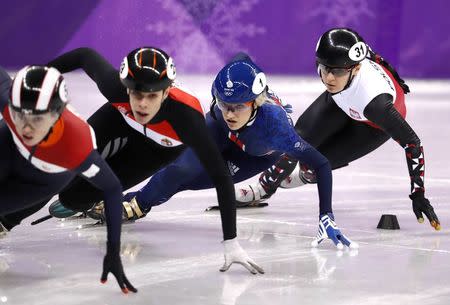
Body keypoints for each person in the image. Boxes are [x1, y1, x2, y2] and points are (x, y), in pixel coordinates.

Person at [0, 47, 262, 274]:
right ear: (125, 87)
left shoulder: (187, 120)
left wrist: (231, 242)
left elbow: (220, 177)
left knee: (73, 198)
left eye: (152, 95)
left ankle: (84, 200)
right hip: (119, 119)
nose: (143, 105)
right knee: (63, 164)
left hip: (158, 148)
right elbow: (84, 56)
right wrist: (40, 79)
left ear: (167, 92)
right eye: (135, 94)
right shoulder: (116, 90)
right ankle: (6, 222)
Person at [89, 53, 357, 250]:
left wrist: (326, 215)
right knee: (177, 166)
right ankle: (127, 201)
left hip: (250, 155)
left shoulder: (276, 128)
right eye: (224, 103)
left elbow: (321, 164)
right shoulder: (223, 109)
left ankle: (133, 203)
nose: (229, 112)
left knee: (186, 182)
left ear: (255, 103)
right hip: (218, 132)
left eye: (238, 106)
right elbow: (242, 58)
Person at [236, 28, 440, 231]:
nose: (329, 79)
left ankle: (303, 176)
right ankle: (263, 188)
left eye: (338, 71)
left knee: (314, 167)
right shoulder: (344, 68)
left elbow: (412, 142)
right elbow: (373, 55)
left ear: (356, 68)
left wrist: (418, 193)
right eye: (324, 69)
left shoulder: (377, 104)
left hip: (372, 124)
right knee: (296, 139)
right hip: (344, 98)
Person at [0, 65, 136, 293]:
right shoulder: (10, 102)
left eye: (37, 118)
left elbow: (112, 189)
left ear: (56, 113)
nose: (26, 126)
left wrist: (113, 253)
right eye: (19, 113)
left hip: (43, 178)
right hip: (8, 146)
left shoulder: (76, 147)